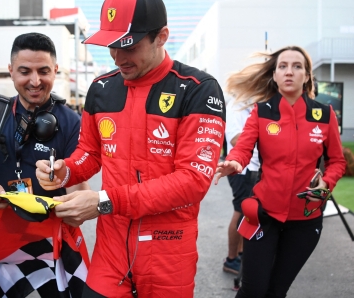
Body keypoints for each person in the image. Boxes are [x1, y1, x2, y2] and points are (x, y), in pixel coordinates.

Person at [36, 0, 226, 296]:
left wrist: (102, 201)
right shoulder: (100, 89)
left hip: (169, 253)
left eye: (129, 46)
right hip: (111, 253)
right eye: (111, 45)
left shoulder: (199, 88)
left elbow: (192, 181)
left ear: (161, 37)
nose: (116, 57)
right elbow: (90, 154)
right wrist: (63, 173)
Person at [0, 32, 89, 298]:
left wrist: (69, 189)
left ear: (56, 70)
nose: (35, 81)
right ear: (11, 71)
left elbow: (80, 186)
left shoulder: (71, 121)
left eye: (43, 71)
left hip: (51, 247)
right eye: (25, 71)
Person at [214, 46, 346, 298]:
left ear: (307, 76)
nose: (289, 72)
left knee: (276, 291)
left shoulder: (324, 115)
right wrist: (233, 162)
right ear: (274, 75)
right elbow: (242, 149)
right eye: (282, 66)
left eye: (297, 66)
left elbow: (337, 161)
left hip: (306, 222)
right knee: (253, 290)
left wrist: (326, 184)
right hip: (264, 214)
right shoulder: (261, 112)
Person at [223, 98, 260, 275]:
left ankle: (239, 254)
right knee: (242, 211)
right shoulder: (237, 105)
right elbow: (235, 139)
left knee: (248, 212)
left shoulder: (253, 103)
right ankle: (231, 259)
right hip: (242, 168)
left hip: (253, 167)